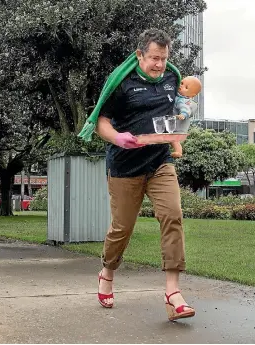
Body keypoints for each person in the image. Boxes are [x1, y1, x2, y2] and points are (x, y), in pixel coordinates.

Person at [91, 29, 195, 321]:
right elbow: (101, 121)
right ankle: (107, 272)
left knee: (173, 215)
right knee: (122, 228)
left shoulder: (172, 79)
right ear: (140, 56)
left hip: (159, 161)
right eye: (153, 58)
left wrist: (182, 121)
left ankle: (172, 293)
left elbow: (179, 107)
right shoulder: (123, 83)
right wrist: (117, 138)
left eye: (164, 58)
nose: (159, 64)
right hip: (125, 165)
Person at [170, 76, 202, 158]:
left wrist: (183, 115)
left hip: (177, 127)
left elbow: (185, 108)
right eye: (182, 83)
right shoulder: (178, 96)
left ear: (192, 95)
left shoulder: (183, 100)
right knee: (171, 139)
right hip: (173, 125)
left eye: (186, 87)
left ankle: (178, 152)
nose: (181, 86)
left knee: (174, 140)